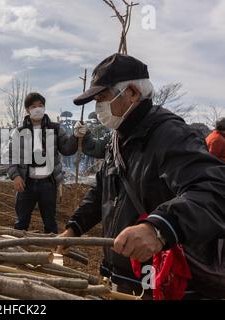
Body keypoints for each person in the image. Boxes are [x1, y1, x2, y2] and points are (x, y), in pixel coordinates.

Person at [57, 53, 225, 299]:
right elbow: (103, 189)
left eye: (102, 98)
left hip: (163, 280)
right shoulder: (119, 137)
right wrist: (74, 228)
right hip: (125, 276)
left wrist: (158, 228)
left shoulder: (171, 134)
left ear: (132, 93)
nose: (98, 108)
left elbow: (215, 189)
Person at [7, 92, 85, 234]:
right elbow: (12, 158)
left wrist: (75, 135)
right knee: (21, 222)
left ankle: (52, 254)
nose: (37, 108)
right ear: (27, 110)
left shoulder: (55, 129)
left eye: (40, 105)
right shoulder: (19, 132)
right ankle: (17, 251)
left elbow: (67, 149)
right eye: (33, 106)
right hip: (26, 183)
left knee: (50, 222)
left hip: (48, 184)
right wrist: (16, 176)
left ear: (44, 107)